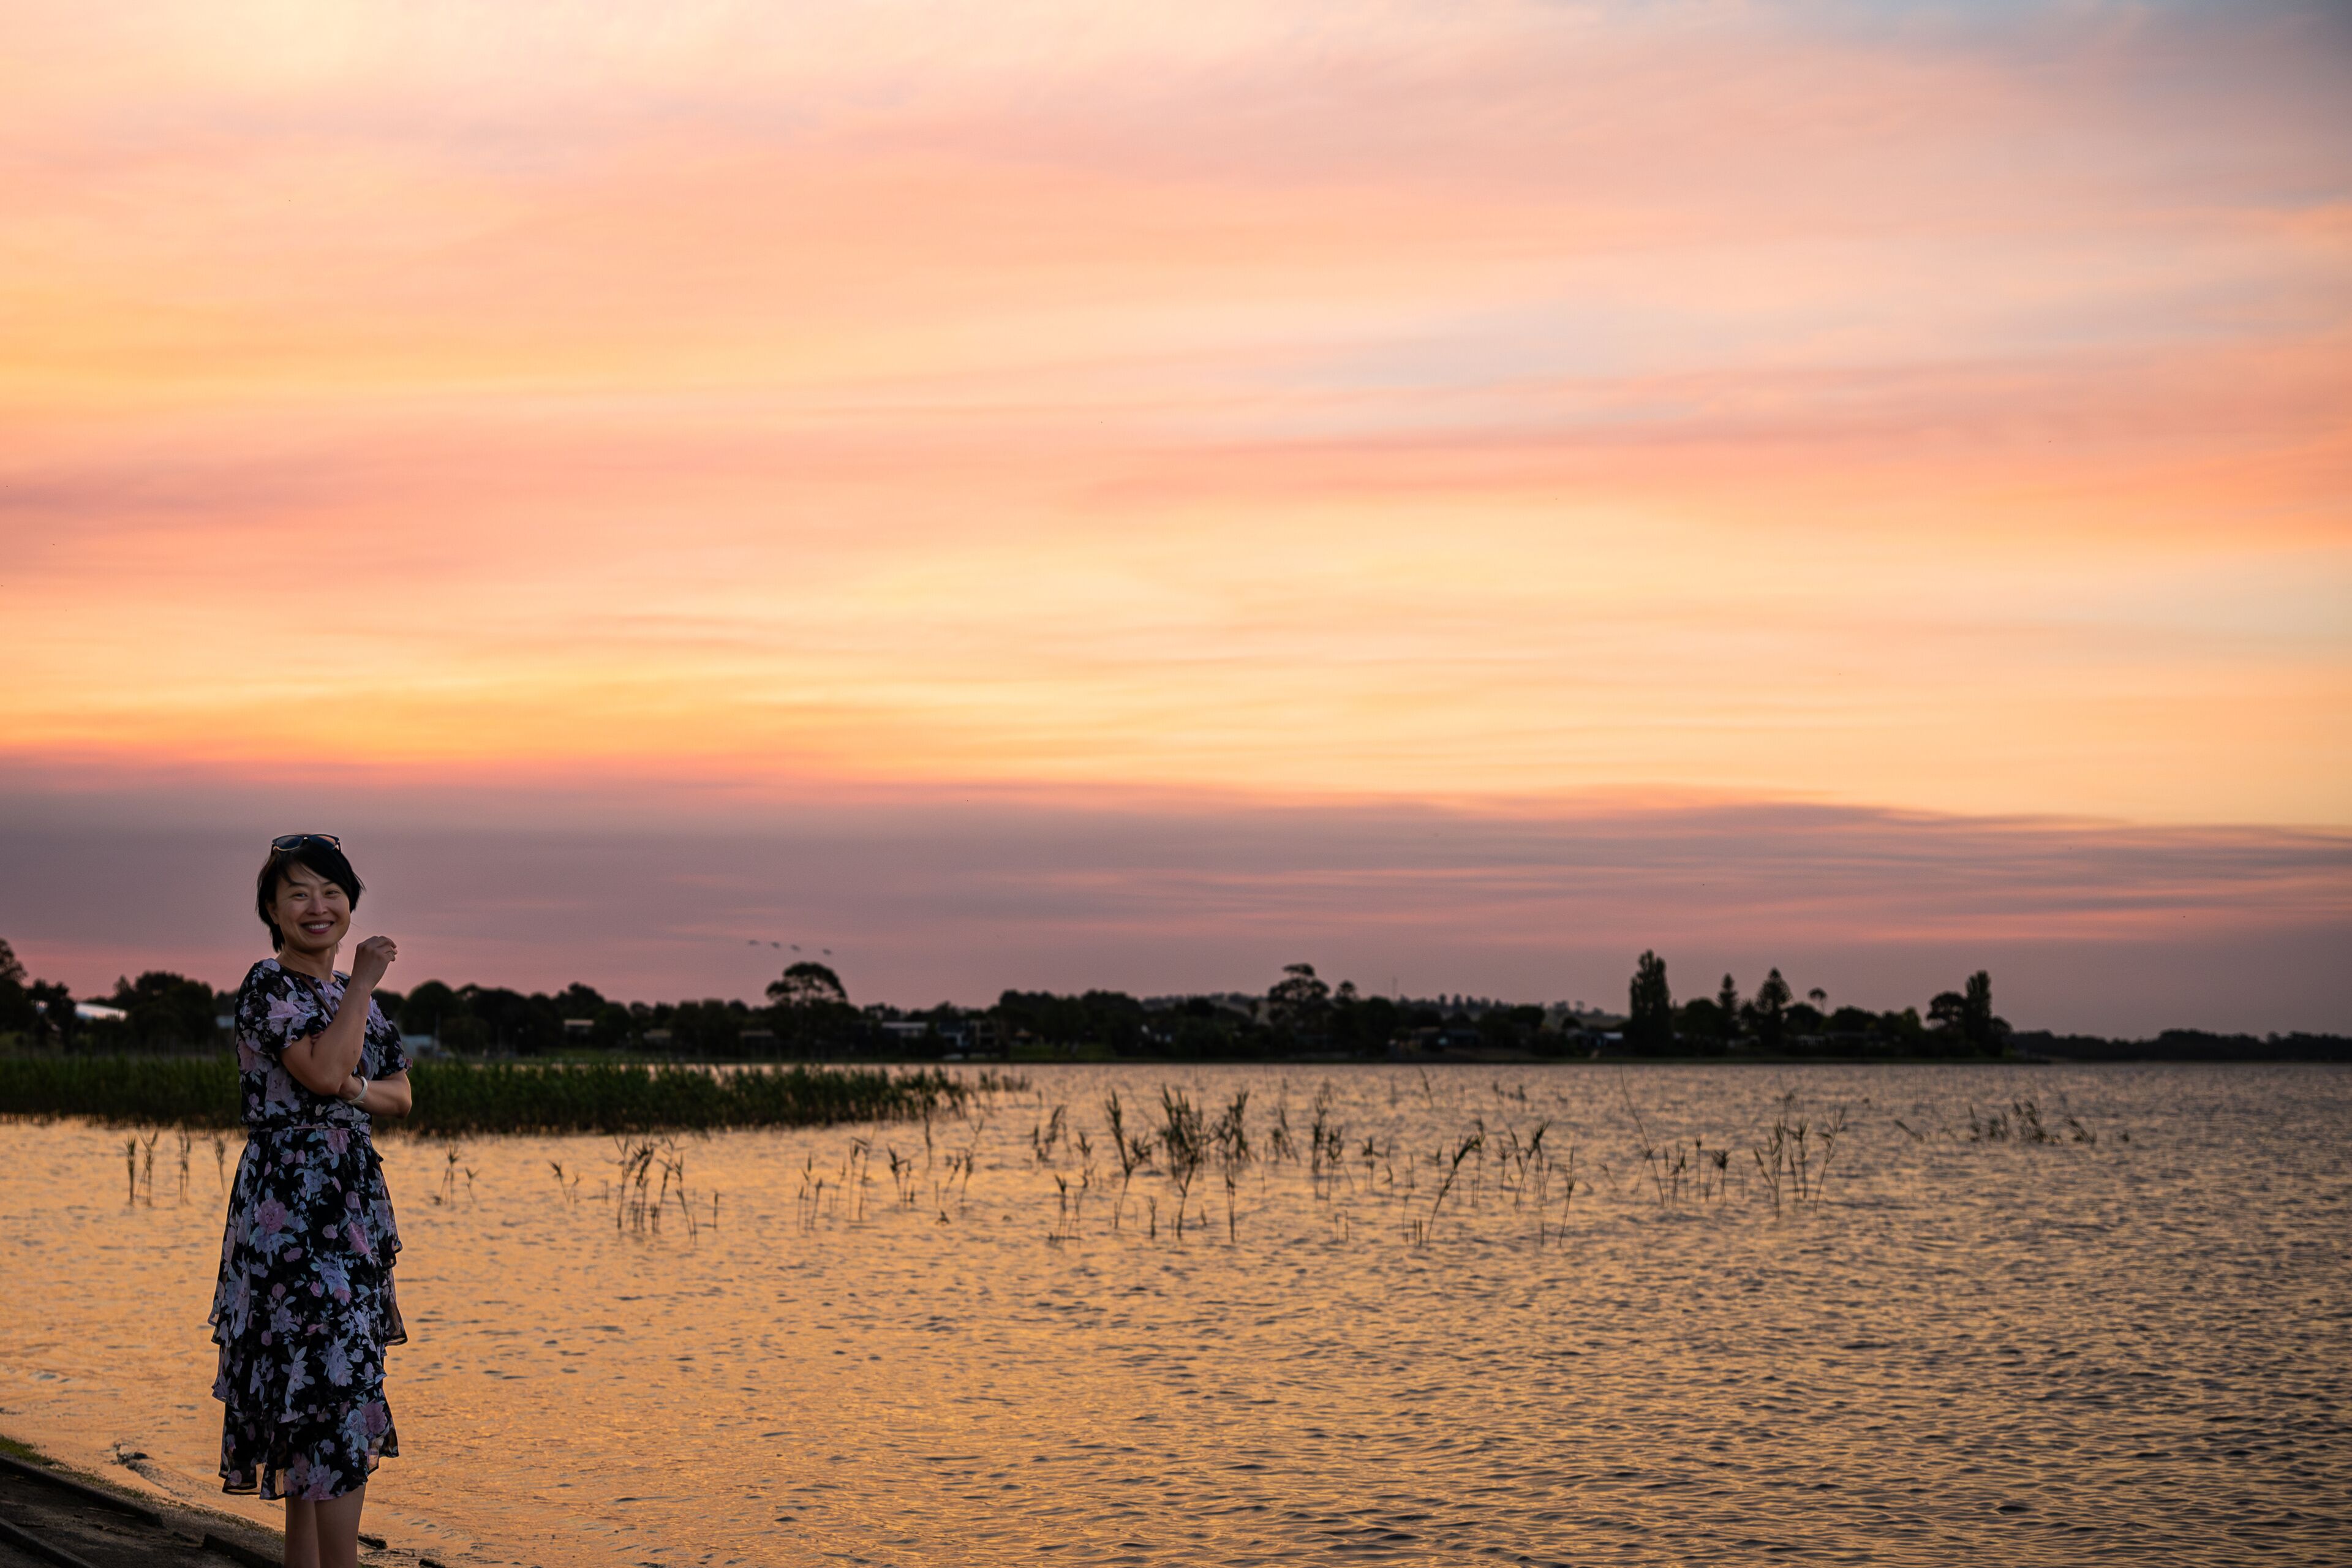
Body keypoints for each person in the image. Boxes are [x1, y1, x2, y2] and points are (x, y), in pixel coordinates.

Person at [210, 833, 413, 1568]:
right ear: (271, 909)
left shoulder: (341, 998)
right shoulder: (272, 984)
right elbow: (327, 1073)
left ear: (351, 903)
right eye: (298, 893)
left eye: (330, 892)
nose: (317, 906)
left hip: (349, 1210)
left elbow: (399, 1093)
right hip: (291, 1212)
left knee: (324, 1386)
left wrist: (355, 1081)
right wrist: (362, 982)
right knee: (329, 1383)